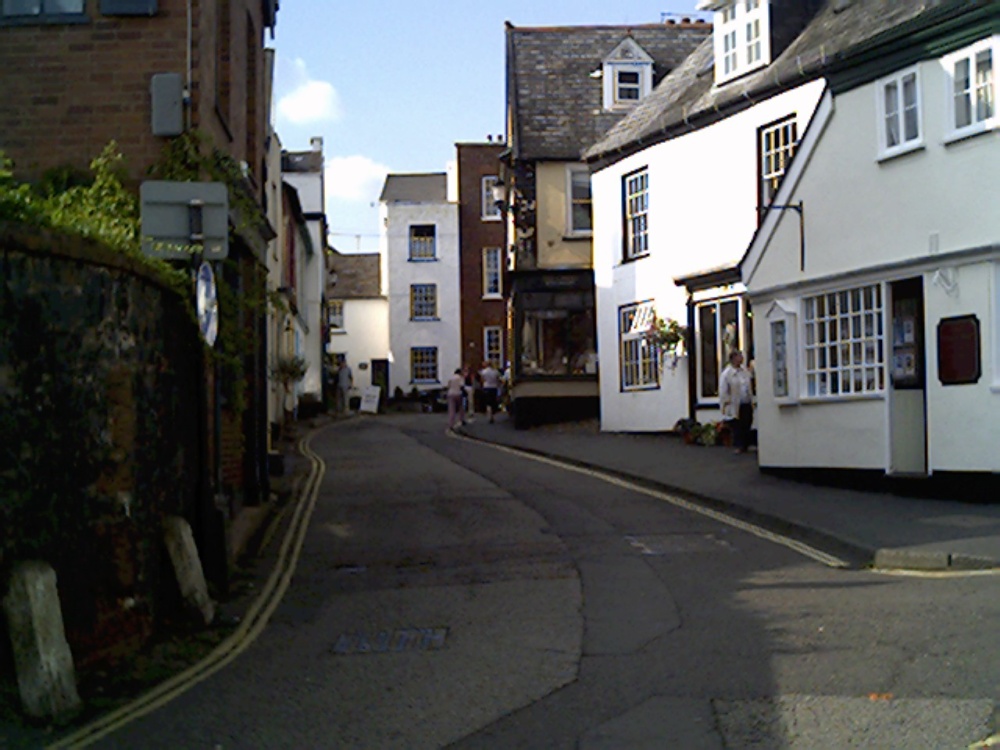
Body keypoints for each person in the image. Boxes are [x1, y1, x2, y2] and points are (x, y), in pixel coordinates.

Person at [719, 350, 754, 453]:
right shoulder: (727, 374)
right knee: (738, 424)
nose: (742, 358)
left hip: (746, 401)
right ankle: (739, 445)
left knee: (747, 422)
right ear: (733, 359)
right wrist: (725, 403)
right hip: (735, 403)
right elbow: (723, 390)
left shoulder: (744, 371)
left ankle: (746, 444)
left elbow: (750, 382)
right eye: (739, 356)